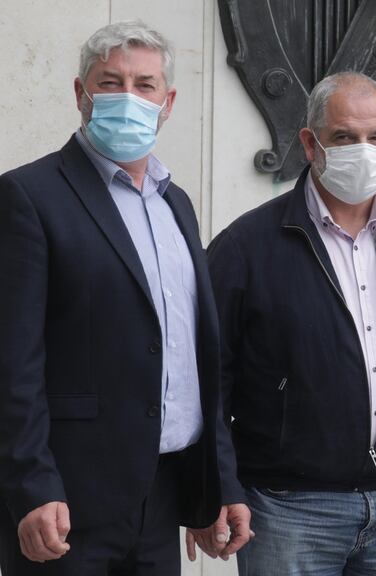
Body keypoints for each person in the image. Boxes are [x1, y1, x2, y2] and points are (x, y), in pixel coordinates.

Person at [206, 71, 376, 575]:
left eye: (375, 137)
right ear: (310, 143)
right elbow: (209, 383)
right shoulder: (247, 246)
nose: (363, 149)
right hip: (286, 509)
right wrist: (218, 487)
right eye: (344, 137)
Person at [0, 20, 250, 576]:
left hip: (162, 497)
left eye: (145, 84)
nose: (128, 97)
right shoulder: (29, 196)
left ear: (168, 102)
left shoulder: (175, 203)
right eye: (110, 82)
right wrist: (31, 485)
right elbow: (13, 362)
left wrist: (217, 485)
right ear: (81, 93)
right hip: (67, 503)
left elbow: (193, 359)